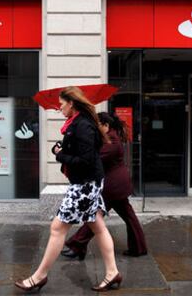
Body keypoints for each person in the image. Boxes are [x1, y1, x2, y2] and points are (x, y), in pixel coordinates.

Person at [15, 87, 122, 292]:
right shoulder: (78, 123)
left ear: (71, 103)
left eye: (62, 104)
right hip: (88, 181)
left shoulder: (82, 125)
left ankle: (39, 277)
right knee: (97, 226)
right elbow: (83, 152)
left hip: (85, 184)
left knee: (57, 228)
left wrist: (61, 155)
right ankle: (112, 273)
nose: (60, 108)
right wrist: (62, 149)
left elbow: (85, 160)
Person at [61, 112, 147, 260]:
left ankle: (77, 245)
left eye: (97, 126)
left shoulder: (112, 142)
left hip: (112, 187)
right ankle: (138, 248)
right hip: (115, 185)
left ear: (106, 126)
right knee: (127, 216)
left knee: (95, 216)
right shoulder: (107, 138)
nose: (94, 129)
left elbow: (92, 158)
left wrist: (71, 153)